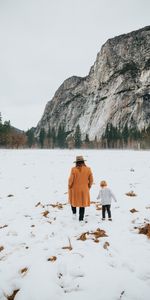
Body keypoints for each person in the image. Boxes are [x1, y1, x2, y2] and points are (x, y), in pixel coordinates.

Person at [68, 155, 93, 222]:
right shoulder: (88, 169)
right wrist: (88, 187)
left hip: (75, 189)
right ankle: (81, 219)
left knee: (73, 201)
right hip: (84, 189)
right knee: (82, 204)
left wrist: (69, 186)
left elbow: (71, 180)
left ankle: (74, 213)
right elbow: (91, 180)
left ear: (76, 162)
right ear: (83, 162)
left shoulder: (73, 169)